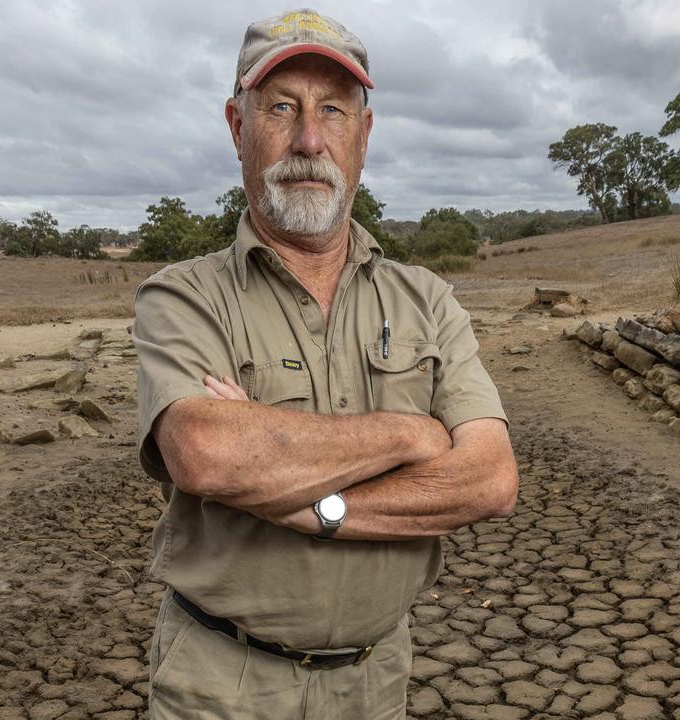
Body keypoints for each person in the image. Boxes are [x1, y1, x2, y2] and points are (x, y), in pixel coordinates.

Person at [132, 9, 519, 719]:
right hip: (221, 684)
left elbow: (489, 480)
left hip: (376, 682)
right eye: (281, 107)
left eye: (333, 109)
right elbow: (208, 454)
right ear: (236, 126)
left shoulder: (426, 299)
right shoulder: (184, 296)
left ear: (363, 136)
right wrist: (411, 436)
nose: (309, 140)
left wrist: (313, 503)